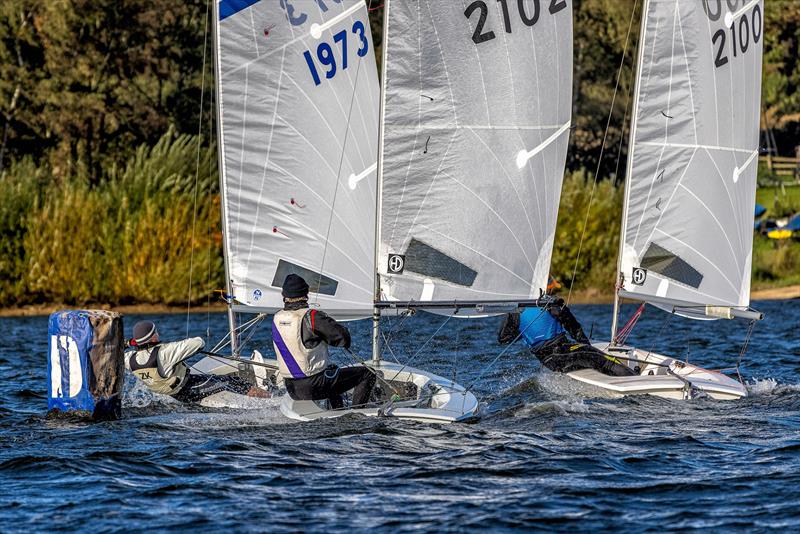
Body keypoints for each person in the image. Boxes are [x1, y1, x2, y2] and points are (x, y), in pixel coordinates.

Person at [272, 273, 376, 409]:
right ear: (306, 294)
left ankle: (338, 410)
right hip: (313, 386)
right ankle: (356, 415)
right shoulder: (312, 317)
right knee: (368, 373)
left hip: (292, 389)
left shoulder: (277, 318)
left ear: (284, 296)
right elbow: (343, 338)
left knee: (331, 370)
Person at [498, 277, 635, 377]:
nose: (552, 292)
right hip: (562, 353)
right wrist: (587, 346)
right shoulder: (553, 305)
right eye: (551, 288)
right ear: (544, 289)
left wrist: (525, 330)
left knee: (587, 356)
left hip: (548, 361)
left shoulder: (516, 311)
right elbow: (575, 329)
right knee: (604, 360)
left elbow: (503, 338)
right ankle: (634, 379)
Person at [125, 320, 269, 403]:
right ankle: (270, 400)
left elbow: (117, 354)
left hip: (170, 395)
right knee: (231, 381)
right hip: (187, 390)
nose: (158, 333)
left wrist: (128, 344)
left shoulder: (129, 359)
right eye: (156, 332)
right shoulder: (165, 352)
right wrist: (174, 346)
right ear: (153, 338)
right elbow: (199, 342)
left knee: (213, 379)